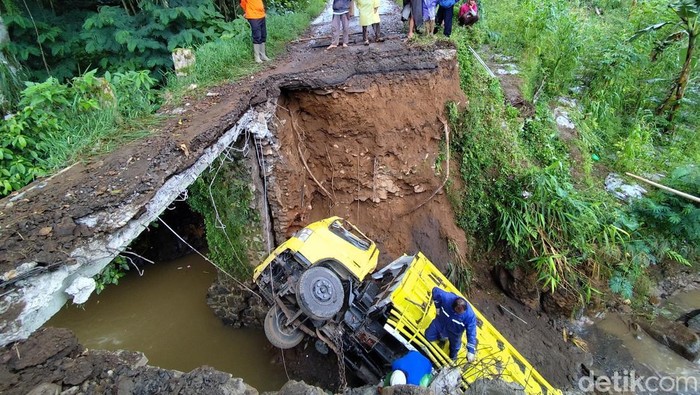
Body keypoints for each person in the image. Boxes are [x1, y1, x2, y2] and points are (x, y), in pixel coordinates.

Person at [425, 287, 477, 362]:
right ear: (453, 306)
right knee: (428, 336)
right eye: (457, 311)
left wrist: (471, 351)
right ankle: (439, 338)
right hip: (440, 322)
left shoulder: (470, 316)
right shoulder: (447, 298)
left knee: (454, 348)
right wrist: (438, 307)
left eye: (460, 312)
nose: (458, 313)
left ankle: (452, 358)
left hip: (455, 333)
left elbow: (471, 333)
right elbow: (435, 291)